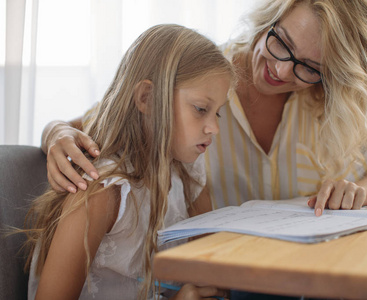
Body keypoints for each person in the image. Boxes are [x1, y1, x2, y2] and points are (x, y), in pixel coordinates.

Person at [41, 0, 367, 218]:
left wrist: (360, 191)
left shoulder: (327, 104)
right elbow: (84, 125)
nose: (281, 70)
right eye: (282, 43)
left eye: (309, 67)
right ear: (270, 18)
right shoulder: (197, 77)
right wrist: (55, 133)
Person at [23, 24, 233, 300]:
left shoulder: (187, 172)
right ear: (146, 98)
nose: (213, 128)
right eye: (201, 109)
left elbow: (211, 271)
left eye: (217, 113)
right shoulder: (102, 193)